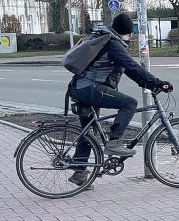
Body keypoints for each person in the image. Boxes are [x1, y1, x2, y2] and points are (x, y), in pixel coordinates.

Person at [68, 13, 173, 186]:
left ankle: (80, 173)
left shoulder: (103, 38)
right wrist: (157, 83)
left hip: (80, 87)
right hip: (90, 88)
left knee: (89, 131)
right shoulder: (112, 44)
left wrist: (149, 83)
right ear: (128, 33)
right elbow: (131, 66)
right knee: (129, 103)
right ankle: (114, 142)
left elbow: (130, 70)